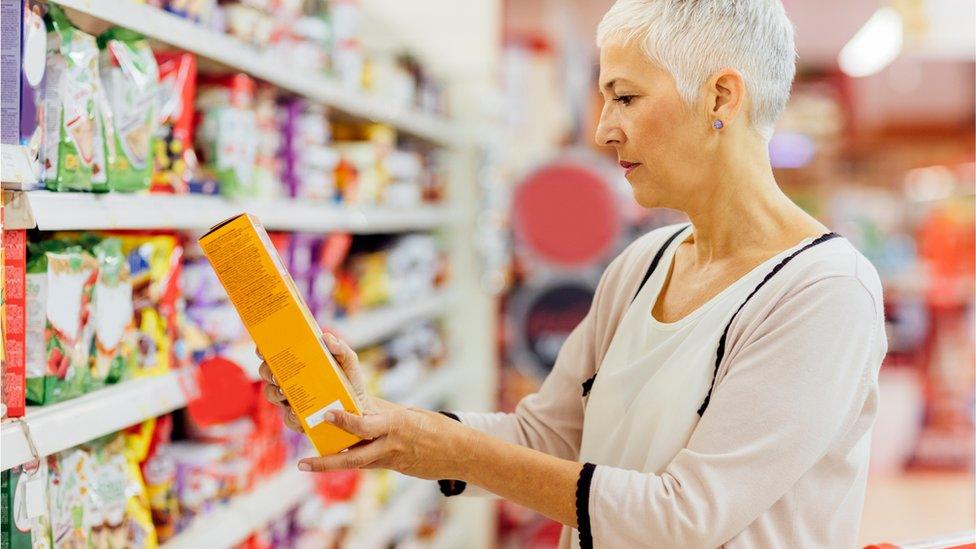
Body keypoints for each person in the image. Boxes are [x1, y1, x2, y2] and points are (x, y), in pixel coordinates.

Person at [259, 1, 887, 547]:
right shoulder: (643, 265)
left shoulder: (823, 293)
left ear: (721, 97)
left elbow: (687, 516)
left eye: (626, 97)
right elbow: (548, 435)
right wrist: (377, 417)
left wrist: (438, 447)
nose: (603, 129)